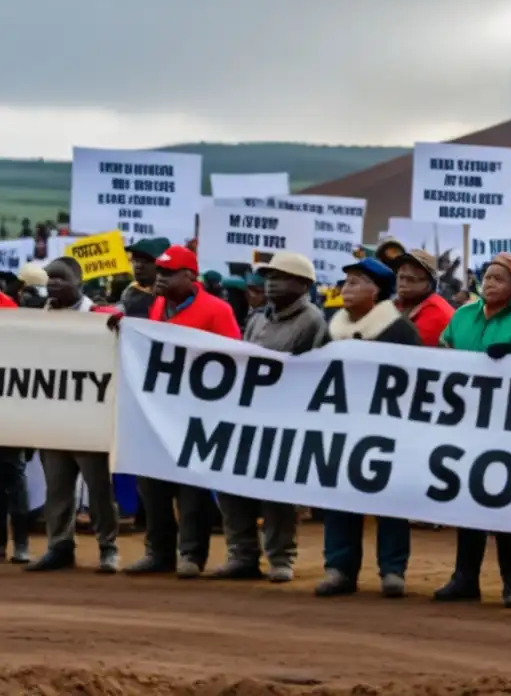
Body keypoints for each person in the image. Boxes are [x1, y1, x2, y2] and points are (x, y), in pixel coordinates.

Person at [117, 246, 241, 579]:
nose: (160, 278)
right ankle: (158, 552)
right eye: (160, 272)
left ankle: (191, 554)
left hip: (198, 413)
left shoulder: (217, 311)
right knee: (153, 484)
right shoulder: (159, 305)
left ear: (190, 276)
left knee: (192, 489)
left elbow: (236, 361)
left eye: (169, 273)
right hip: (159, 413)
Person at [433, 253, 511, 608]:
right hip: (464, 423)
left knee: (504, 503)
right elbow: (440, 354)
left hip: (507, 427)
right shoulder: (462, 315)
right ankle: (464, 578)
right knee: (467, 503)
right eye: (487, 276)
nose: (490, 282)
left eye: (499, 278)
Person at [212, 252, 327, 583]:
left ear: (303, 284)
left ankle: (280, 558)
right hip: (248, 415)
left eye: (281, 276)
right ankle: (242, 554)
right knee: (232, 486)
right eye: (270, 276)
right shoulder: (258, 319)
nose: (271, 282)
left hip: (285, 418)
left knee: (275, 492)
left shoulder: (311, 320)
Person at [316, 258, 420, 598]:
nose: (346, 289)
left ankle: (392, 570)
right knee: (340, 497)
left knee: (390, 499)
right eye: (345, 282)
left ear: (376, 291)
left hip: (387, 430)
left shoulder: (399, 330)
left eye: (356, 283)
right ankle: (339, 568)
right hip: (341, 428)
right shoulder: (331, 328)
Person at [26, 257, 119, 574]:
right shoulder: (40, 317)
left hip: (88, 420)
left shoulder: (98, 317)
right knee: (57, 489)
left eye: (60, 278)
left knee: (98, 489)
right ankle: (59, 546)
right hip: (53, 419)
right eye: (49, 278)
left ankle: (108, 548)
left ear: (78, 282)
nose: (52, 283)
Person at [393, 249, 454, 346]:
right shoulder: (402, 303)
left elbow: (407, 350)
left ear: (429, 284)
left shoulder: (436, 312)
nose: (402, 284)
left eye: (411, 279)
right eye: (401, 277)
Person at [118, 238, 170, 318]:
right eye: (135, 260)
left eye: (146, 261)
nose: (138, 265)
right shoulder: (131, 291)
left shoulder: (175, 297)